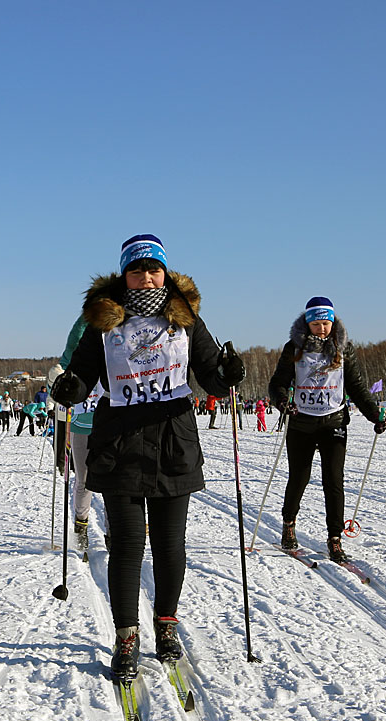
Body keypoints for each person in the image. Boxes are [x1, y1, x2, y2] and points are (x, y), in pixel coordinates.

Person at [51, 234, 245, 680]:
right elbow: (80, 376)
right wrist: (69, 388)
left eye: (152, 269)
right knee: (126, 546)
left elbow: (212, 377)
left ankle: (166, 626)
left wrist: (229, 374)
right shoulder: (103, 322)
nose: (145, 277)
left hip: (173, 440)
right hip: (120, 443)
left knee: (170, 543)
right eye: (136, 270)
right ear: (125, 275)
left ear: (164, 272)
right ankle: (126, 636)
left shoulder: (186, 318)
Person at [268, 297, 386, 565]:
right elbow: (277, 382)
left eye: (326, 323)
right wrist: (281, 400)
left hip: (333, 421)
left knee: (334, 482)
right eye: (316, 324)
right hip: (301, 423)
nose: (322, 329)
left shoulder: (343, 348)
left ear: (333, 323)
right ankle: (289, 523)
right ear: (307, 323)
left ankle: (335, 538)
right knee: (299, 477)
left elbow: (356, 386)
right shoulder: (294, 348)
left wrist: (373, 415)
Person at [58, 317, 105, 534]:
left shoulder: (112, 355)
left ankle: (113, 530)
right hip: (81, 426)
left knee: (112, 482)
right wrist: (90, 314)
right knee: (83, 479)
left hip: (108, 426)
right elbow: (72, 344)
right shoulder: (76, 360)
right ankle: (81, 523)